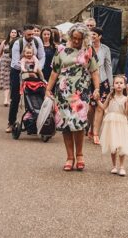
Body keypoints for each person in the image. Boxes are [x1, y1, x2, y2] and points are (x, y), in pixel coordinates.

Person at [46, 24, 100, 172]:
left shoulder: (88, 50)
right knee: (65, 125)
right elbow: (55, 72)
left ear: (84, 38)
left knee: (78, 124)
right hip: (63, 93)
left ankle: (80, 155)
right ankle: (70, 157)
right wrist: (48, 89)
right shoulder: (61, 50)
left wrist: (97, 88)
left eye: (79, 39)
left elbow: (94, 71)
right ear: (70, 36)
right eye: (74, 38)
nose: (76, 41)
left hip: (81, 92)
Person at [7, 25, 45, 132]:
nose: (32, 36)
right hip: (18, 71)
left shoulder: (38, 41)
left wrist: (37, 69)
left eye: (33, 34)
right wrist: (27, 70)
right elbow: (14, 63)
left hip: (35, 71)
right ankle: (11, 122)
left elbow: (42, 57)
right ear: (24, 34)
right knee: (15, 98)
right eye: (29, 34)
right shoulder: (17, 43)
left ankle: (34, 120)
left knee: (36, 94)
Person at [98, 74, 128, 176]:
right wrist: (97, 100)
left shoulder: (126, 98)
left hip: (121, 122)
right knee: (113, 144)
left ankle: (122, 166)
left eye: (121, 83)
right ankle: (114, 166)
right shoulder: (110, 97)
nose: (118, 85)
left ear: (124, 86)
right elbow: (103, 107)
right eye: (116, 83)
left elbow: (127, 113)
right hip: (111, 123)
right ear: (113, 85)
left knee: (121, 144)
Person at [88, 26, 112, 146]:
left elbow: (108, 66)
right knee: (90, 108)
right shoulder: (86, 47)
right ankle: (91, 128)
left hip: (103, 81)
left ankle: (96, 133)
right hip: (88, 82)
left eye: (94, 35)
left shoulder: (105, 49)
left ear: (99, 37)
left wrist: (111, 85)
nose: (92, 37)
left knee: (99, 107)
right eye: (91, 34)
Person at [0, 28, 19, 108]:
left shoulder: (18, 42)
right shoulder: (4, 42)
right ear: (9, 33)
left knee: (12, 81)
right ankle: (6, 99)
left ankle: (10, 98)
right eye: (12, 32)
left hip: (14, 63)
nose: (13, 34)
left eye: (15, 32)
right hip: (5, 63)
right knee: (6, 81)